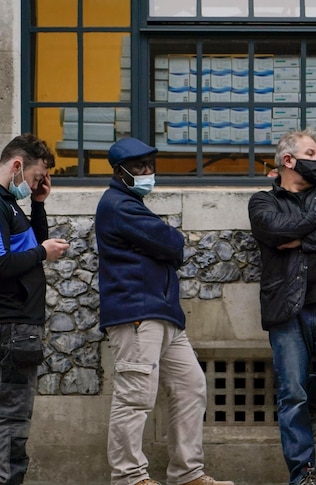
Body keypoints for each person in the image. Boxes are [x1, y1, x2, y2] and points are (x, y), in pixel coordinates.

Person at [95, 137, 233, 485]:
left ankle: (187, 473)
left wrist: (166, 245)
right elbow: (172, 242)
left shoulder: (128, 204)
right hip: (138, 314)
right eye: (139, 167)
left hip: (162, 314)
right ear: (120, 172)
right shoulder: (119, 205)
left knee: (191, 386)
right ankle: (129, 477)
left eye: (150, 165)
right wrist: (169, 243)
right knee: (135, 397)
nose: (147, 172)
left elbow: (167, 244)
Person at [248, 129, 316, 485]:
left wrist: (300, 240)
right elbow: (273, 229)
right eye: (311, 153)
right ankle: (304, 473)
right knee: (290, 392)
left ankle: (315, 403)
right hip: (286, 309)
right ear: (288, 160)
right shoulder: (262, 201)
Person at [0, 134, 69, 485]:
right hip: (8, 321)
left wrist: (38, 204)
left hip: (12, 320)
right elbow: (2, 264)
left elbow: (32, 244)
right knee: (11, 413)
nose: (39, 183)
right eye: (38, 177)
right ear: (17, 165)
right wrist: (43, 253)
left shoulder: (6, 202)